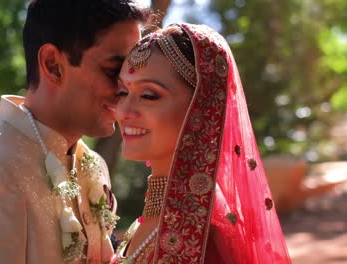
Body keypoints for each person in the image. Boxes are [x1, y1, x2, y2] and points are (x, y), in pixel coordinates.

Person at [0, 1, 149, 263]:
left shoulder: (93, 165)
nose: (126, 88)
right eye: (114, 70)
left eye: (132, 73)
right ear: (53, 64)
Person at [112, 23, 292, 263]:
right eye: (123, 93)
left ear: (202, 106)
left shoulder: (205, 234)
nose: (123, 111)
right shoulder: (154, 219)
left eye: (149, 95)